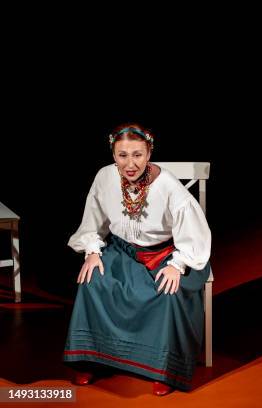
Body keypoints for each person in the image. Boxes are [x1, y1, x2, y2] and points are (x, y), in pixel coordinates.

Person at [63, 124, 212, 395]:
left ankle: (164, 368)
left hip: (166, 253)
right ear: (113, 155)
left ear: (149, 153)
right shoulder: (105, 177)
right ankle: (91, 359)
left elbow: (193, 233)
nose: (130, 164)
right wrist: (93, 250)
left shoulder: (167, 185)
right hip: (123, 251)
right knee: (92, 281)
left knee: (169, 292)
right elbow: (93, 221)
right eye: (122, 155)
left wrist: (178, 265)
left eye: (137, 155)